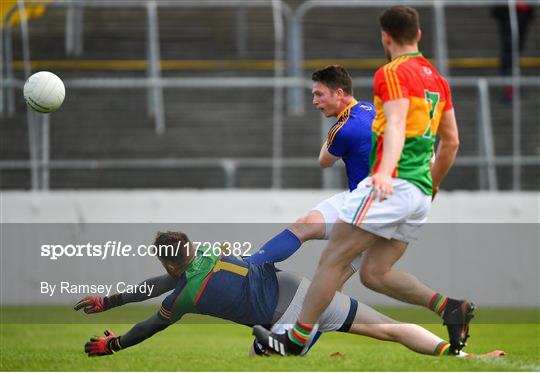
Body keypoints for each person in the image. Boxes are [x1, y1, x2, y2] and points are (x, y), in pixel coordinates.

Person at [254, 5, 471, 356]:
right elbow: (452, 142)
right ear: (418, 35)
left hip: (391, 184)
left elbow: (396, 125)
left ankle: (294, 339)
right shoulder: (437, 79)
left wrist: (384, 172)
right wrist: (431, 185)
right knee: (374, 273)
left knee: (332, 261)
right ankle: (448, 306)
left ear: (386, 38)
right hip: (419, 192)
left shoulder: (392, 73)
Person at [75, 231, 502, 358]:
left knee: (262, 356)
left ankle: (279, 345)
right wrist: (111, 300)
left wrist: (114, 343)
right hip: (310, 293)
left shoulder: (183, 298)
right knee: (391, 330)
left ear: (169, 261)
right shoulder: (205, 253)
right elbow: (165, 282)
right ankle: (465, 359)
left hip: (287, 321)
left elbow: (152, 321)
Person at [248, 65, 374, 272]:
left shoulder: (344, 129)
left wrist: (334, 133)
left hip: (370, 206)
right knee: (305, 228)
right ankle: (252, 266)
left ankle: (248, 270)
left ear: (339, 93)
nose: (315, 102)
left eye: (319, 94)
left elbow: (324, 162)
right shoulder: (370, 108)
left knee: (336, 271)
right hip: (368, 199)